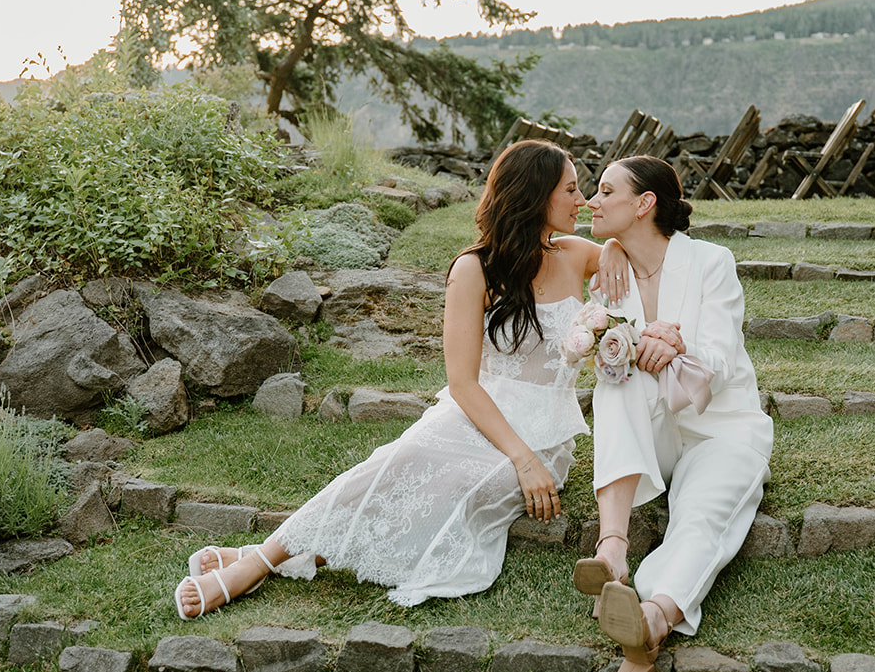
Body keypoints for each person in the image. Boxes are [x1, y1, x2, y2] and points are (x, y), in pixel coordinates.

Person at [174, 139, 620, 617]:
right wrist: (521, 459)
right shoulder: (474, 269)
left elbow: (641, 251)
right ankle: (257, 564)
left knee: (458, 488)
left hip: (546, 433)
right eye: (571, 190)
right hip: (475, 415)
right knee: (396, 462)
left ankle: (264, 556)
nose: (583, 200)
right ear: (533, 196)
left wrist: (613, 245)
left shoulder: (578, 254)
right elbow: (463, 383)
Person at [575, 155, 773, 672]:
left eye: (605, 191)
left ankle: (653, 617)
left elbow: (724, 356)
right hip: (655, 436)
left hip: (721, 428)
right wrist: (612, 250)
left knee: (702, 517)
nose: (591, 200)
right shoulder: (610, 270)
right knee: (614, 370)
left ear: (644, 204)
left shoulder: (712, 261)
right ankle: (611, 547)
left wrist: (676, 343)